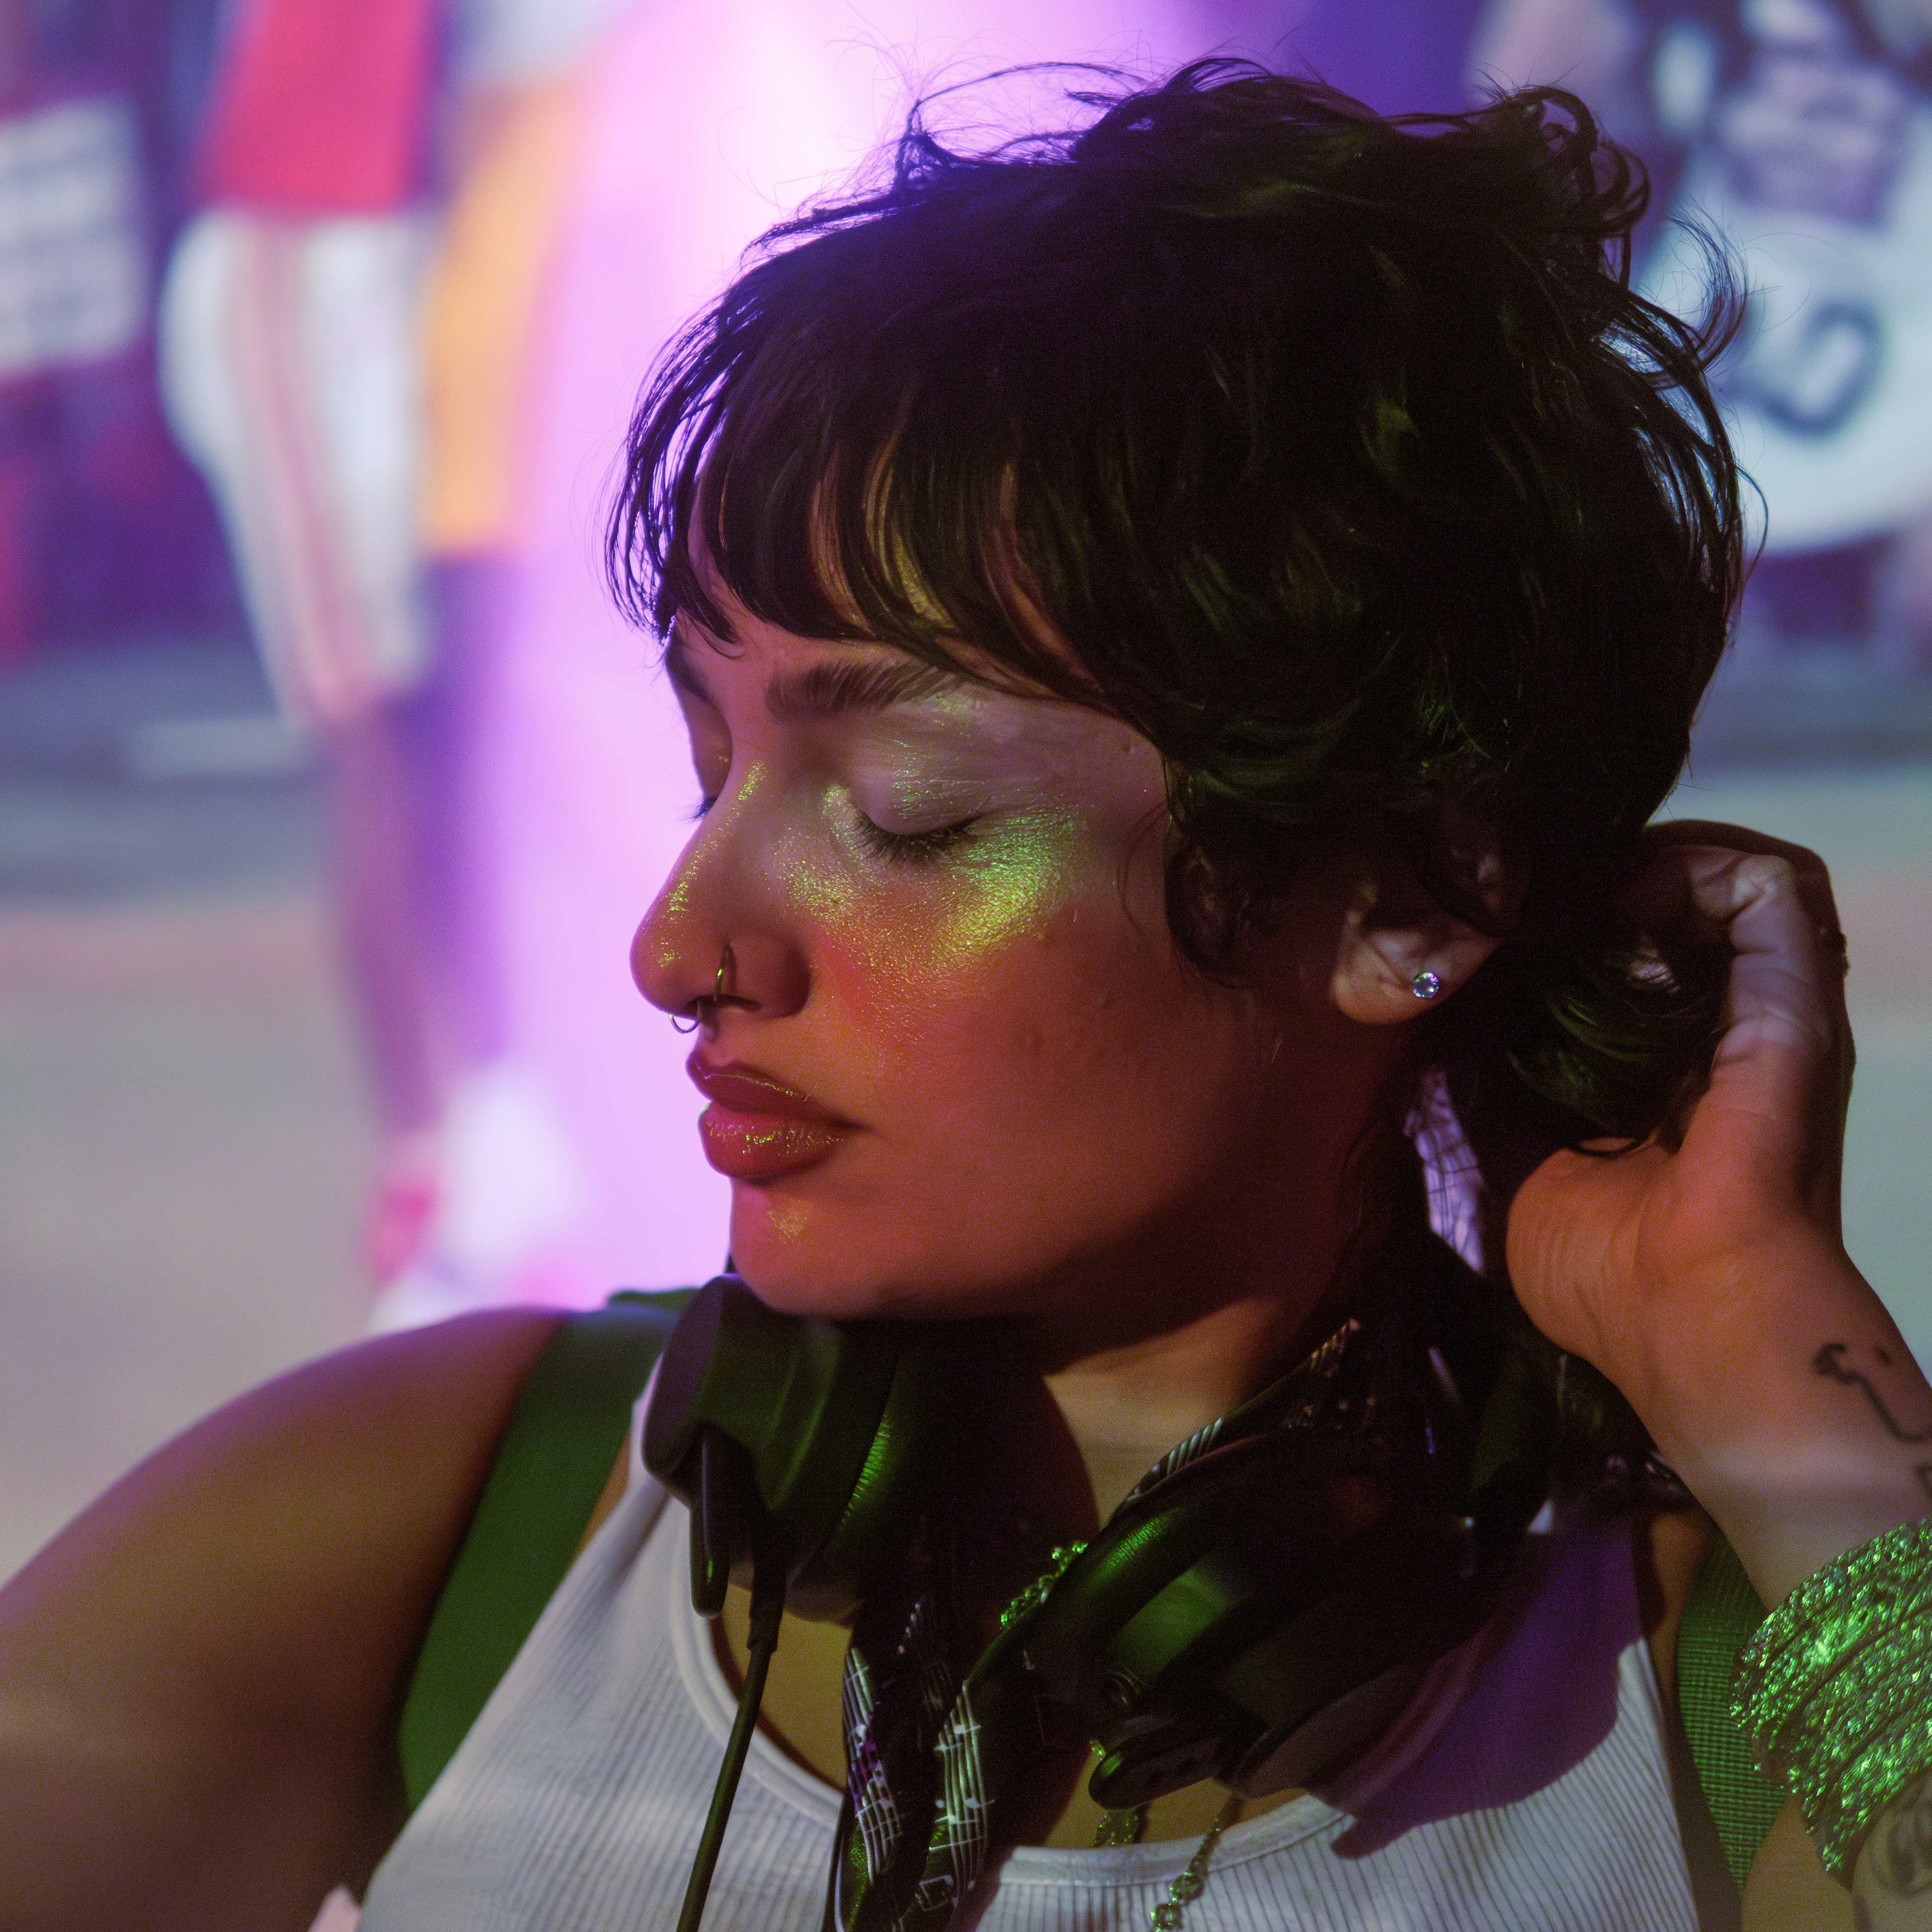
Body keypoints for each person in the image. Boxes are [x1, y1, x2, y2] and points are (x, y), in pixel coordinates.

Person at [3, 59, 1929, 1932]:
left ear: (1409, 889)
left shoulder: (1755, 1685)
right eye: (712, 763)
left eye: (904, 811)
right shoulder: (431, 1529)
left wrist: (1746, 1334)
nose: (681, 947)